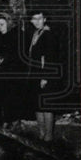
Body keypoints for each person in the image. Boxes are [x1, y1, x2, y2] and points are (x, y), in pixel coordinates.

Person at [26, 10, 61, 142]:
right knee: (37, 106)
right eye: (34, 19)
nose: (37, 22)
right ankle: (41, 135)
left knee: (46, 107)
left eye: (39, 19)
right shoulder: (36, 34)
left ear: (45, 19)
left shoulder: (48, 35)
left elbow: (50, 58)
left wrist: (45, 77)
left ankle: (48, 137)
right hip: (36, 74)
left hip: (45, 76)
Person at [0, 11, 24, 125]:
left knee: (11, 106)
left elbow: (19, 55)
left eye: (2, 24)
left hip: (13, 77)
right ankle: (1, 128)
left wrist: (3, 59)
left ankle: (12, 128)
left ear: (9, 22)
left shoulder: (18, 35)